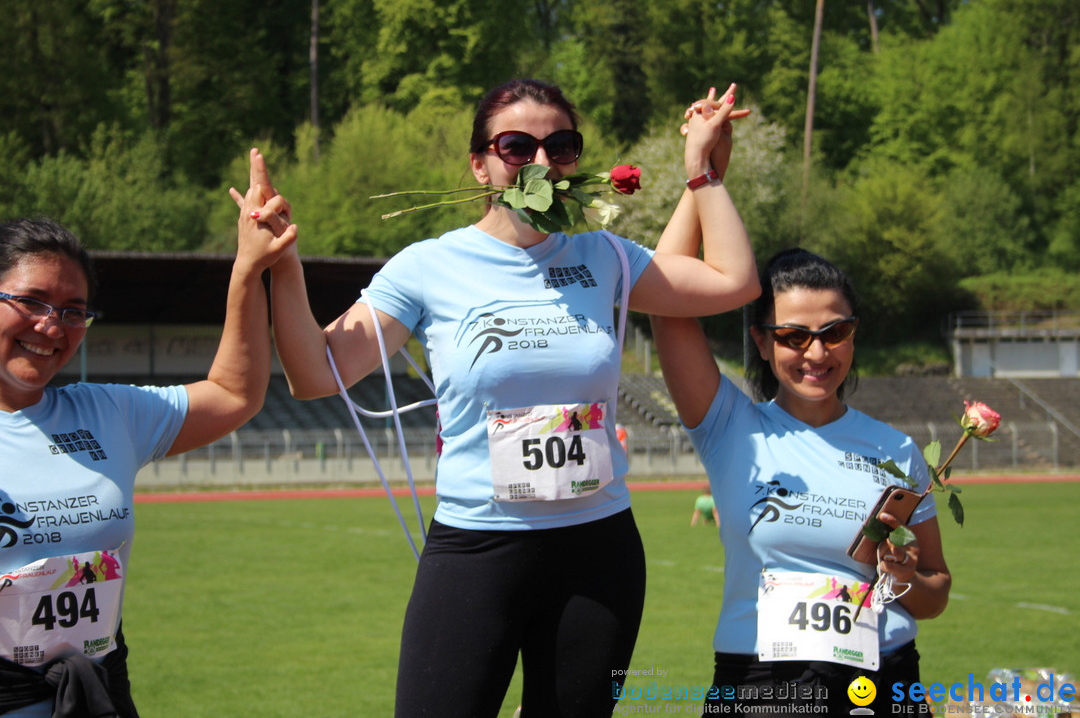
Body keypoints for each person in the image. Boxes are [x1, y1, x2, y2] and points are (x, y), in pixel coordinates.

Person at [252, 78, 759, 717]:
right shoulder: (428, 266)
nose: (542, 163)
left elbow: (733, 281)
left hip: (598, 552)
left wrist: (703, 173)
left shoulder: (605, 256)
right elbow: (314, 375)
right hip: (476, 551)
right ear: (480, 163)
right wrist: (282, 265)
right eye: (517, 146)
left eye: (562, 146)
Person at [0, 149, 295, 718]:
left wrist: (248, 268)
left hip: (99, 695)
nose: (51, 325)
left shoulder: (106, 413)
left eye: (72, 310)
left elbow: (234, 394)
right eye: (31, 301)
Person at [650, 247, 951, 714]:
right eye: (793, 335)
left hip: (882, 681)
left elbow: (934, 594)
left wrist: (905, 577)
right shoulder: (730, 427)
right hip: (760, 684)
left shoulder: (897, 450)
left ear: (853, 335)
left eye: (836, 332)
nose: (817, 352)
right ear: (763, 342)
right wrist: (701, 184)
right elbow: (665, 301)